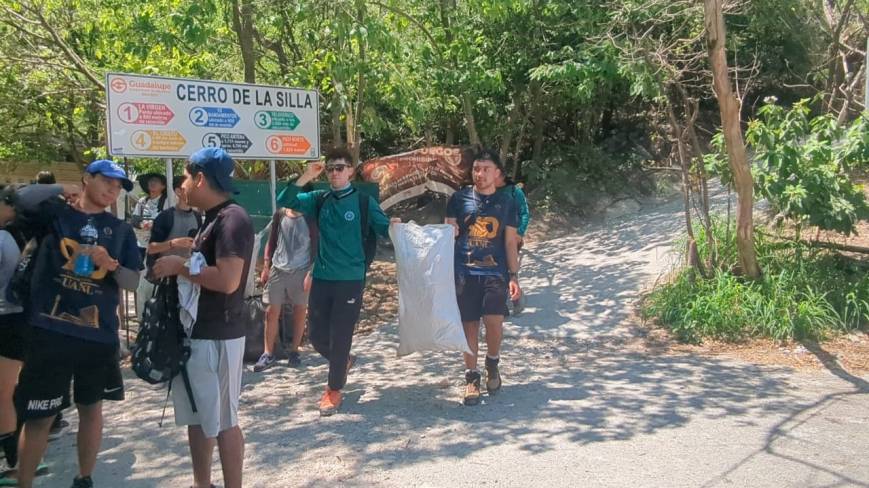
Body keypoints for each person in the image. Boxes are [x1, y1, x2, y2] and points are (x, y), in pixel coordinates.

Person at [14, 160, 141, 488]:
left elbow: (131, 281)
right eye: (107, 182)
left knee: (91, 408)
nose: (112, 190)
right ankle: (24, 482)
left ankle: (84, 478)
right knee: (39, 416)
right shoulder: (57, 214)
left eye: (119, 187)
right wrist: (60, 188)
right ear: (86, 178)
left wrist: (110, 264)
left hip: (97, 336)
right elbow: (20, 199)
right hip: (49, 329)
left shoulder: (121, 230)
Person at [152, 147, 253, 488]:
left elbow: (227, 280)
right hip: (195, 333)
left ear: (200, 178)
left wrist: (178, 267)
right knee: (198, 417)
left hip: (219, 335)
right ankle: (201, 483)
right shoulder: (210, 220)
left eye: (185, 177)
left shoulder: (232, 219)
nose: (181, 186)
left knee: (224, 420)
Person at [277, 147, 399, 416]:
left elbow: (385, 229)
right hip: (322, 277)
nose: (334, 173)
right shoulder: (319, 199)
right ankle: (343, 361)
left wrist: (396, 226)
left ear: (351, 172)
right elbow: (285, 199)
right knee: (318, 336)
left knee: (341, 334)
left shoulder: (363, 202)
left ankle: (334, 389)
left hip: (351, 279)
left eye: (340, 168)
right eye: (330, 168)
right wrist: (307, 175)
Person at [445, 148, 521, 406]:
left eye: (486, 169)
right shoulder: (458, 198)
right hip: (464, 272)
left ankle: (493, 362)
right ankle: (471, 377)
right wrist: (451, 229)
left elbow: (510, 242)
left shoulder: (507, 203)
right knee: (469, 325)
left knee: (494, 322)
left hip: (495, 272)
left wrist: (514, 276)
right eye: (476, 169)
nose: (480, 174)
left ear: (497, 174)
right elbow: (447, 231)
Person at [254, 200, 313, 371]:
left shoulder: (311, 217)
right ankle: (267, 353)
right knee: (271, 311)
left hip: (301, 270)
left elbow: (318, 244)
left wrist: (311, 271)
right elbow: (271, 241)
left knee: (300, 310)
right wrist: (266, 265)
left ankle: (294, 351)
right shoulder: (280, 214)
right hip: (278, 269)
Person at [146, 175, 202, 279]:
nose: (195, 191)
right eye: (191, 187)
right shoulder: (165, 217)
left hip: (188, 277)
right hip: (165, 279)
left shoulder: (197, 217)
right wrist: (173, 243)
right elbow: (151, 249)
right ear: (178, 191)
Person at [495, 173, 530, 313]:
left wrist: (519, 233)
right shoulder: (487, 190)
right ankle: (500, 304)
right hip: (493, 238)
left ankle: (516, 300)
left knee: (511, 268)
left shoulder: (515, 191)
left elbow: (524, 213)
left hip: (512, 237)